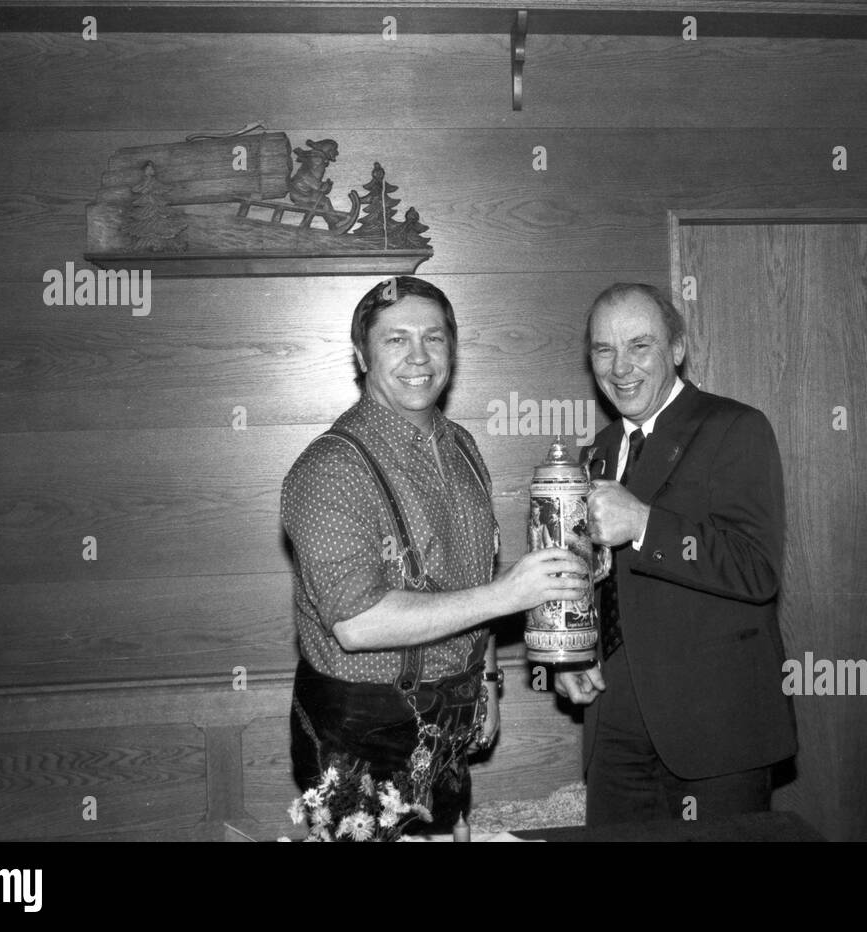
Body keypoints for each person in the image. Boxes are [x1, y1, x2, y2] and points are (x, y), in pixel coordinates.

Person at [282, 276, 587, 832]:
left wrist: (489, 681)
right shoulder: (330, 469)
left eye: (434, 338)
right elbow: (356, 623)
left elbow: (476, 582)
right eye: (396, 340)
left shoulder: (464, 447)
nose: (419, 357)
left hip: (446, 721)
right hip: (357, 733)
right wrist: (508, 595)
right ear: (361, 355)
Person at [554, 282, 796, 828]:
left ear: (678, 349)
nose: (620, 368)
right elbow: (597, 580)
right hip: (612, 722)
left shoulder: (734, 427)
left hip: (714, 732)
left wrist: (642, 522)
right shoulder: (596, 452)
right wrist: (572, 654)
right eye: (603, 350)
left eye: (640, 346)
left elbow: (757, 570)